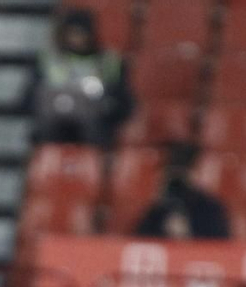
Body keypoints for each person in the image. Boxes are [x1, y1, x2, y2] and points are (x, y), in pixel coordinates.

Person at [32, 7, 136, 147]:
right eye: (72, 33)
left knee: (97, 130)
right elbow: (28, 98)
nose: (77, 38)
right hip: (54, 129)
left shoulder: (109, 62)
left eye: (81, 33)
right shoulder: (49, 61)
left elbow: (124, 102)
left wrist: (106, 106)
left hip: (96, 128)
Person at [133, 141, 232, 240]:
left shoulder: (211, 209)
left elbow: (220, 247)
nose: (178, 184)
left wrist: (187, 234)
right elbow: (140, 242)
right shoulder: (158, 209)